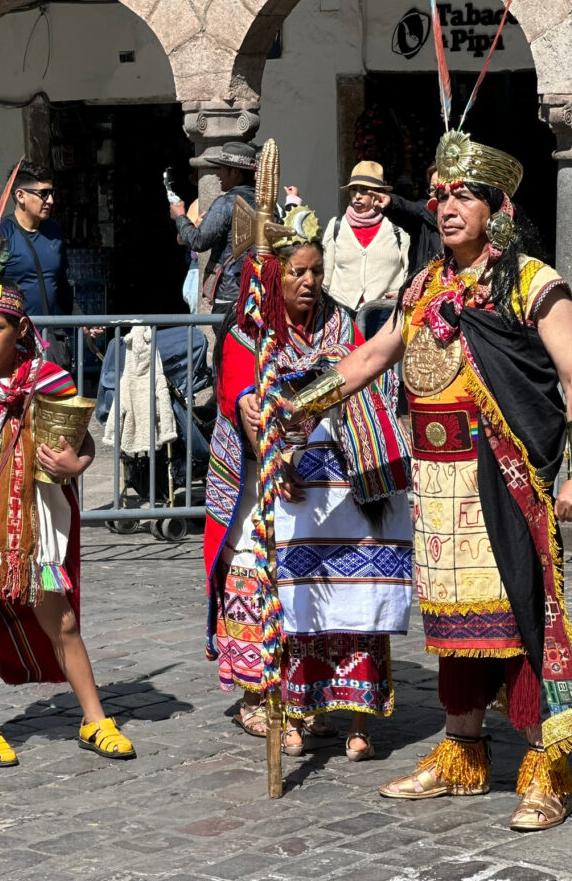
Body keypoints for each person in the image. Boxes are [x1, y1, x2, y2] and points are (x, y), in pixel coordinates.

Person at [283, 131, 572, 830]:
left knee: (519, 617)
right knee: (458, 623)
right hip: (437, 480)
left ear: (497, 206)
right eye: (438, 196)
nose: (447, 206)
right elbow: (371, 356)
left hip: (506, 473)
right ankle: (462, 753)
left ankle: (545, 766)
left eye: (462, 195)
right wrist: (299, 404)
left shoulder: (532, 283)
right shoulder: (425, 285)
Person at [204, 207, 413, 760]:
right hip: (265, 483)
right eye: (297, 271)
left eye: (317, 270)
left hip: (335, 484)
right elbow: (236, 383)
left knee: (340, 586)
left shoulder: (340, 324)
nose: (309, 282)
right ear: (277, 274)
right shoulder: (251, 323)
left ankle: (328, 701)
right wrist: (253, 415)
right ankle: (263, 697)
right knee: (261, 578)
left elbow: (362, 382)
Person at [0, 275, 135, 767]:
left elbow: (78, 440)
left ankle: (94, 719)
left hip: (36, 520)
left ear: (18, 327)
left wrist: (77, 465)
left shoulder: (49, 379)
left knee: (61, 619)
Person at [0, 160, 73, 322]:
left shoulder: (54, 231)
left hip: (52, 336)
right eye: (44, 194)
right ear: (21, 196)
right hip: (16, 338)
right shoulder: (0, 235)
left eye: (52, 193)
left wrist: (83, 321)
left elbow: (62, 286)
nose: (50, 201)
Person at [169, 142, 257, 314]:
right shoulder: (269, 205)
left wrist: (180, 216)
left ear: (235, 172)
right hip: (259, 292)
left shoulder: (227, 203)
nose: (217, 174)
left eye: (221, 169)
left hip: (230, 295)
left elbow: (198, 241)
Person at [323, 161, 409, 309]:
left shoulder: (397, 228)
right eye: (353, 189)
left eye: (364, 190)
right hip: (341, 311)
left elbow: (408, 272)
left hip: (384, 313)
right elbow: (326, 276)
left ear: (378, 193)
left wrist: (402, 294)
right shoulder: (336, 226)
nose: (357, 196)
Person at [381, 165, 443, 278]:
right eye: (433, 189)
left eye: (442, 189)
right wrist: (391, 203)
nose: (436, 194)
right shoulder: (423, 214)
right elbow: (408, 209)